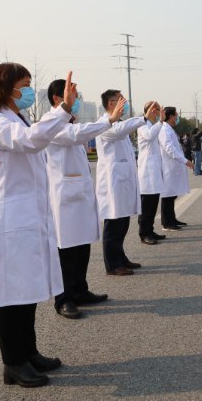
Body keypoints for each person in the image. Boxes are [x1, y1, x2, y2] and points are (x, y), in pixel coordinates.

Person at [0, 64, 75, 388]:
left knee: (27, 288)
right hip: (9, 218)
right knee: (10, 294)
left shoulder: (19, 119)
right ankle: (13, 363)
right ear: (6, 88)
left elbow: (33, 139)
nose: (29, 91)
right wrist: (62, 110)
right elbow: (30, 141)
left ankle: (29, 352)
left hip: (27, 216)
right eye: (25, 85)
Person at [45, 79, 123, 320]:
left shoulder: (70, 121)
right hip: (64, 197)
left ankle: (80, 290)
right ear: (58, 99)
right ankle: (64, 299)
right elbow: (76, 135)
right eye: (73, 95)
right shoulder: (51, 122)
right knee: (66, 249)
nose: (77, 100)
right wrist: (108, 119)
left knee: (81, 246)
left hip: (78, 195)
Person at [96, 90, 153, 276]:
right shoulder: (103, 124)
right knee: (113, 224)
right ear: (112, 103)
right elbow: (119, 132)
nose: (125, 104)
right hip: (113, 183)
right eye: (121, 101)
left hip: (123, 181)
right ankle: (112, 265)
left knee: (122, 223)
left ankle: (121, 258)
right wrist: (143, 118)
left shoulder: (119, 123)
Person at [159, 107, 194, 230]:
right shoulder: (164, 130)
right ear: (171, 116)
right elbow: (170, 149)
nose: (177, 116)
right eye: (176, 114)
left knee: (172, 195)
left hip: (173, 167)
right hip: (168, 167)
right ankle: (166, 223)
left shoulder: (169, 129)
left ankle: (172, 219)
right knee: (167, 195)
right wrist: (185, 161)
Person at [136, 101, 164, 246]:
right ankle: (144, 234)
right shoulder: (142, 125)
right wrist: (161, 122)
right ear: (152, 111)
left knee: (153, 204)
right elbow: (149, 136)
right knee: (146, 206)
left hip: (154, 172)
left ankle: (150, 230)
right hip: (146, 172)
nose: (160, 112)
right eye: (158, 110)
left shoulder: (152, 125)